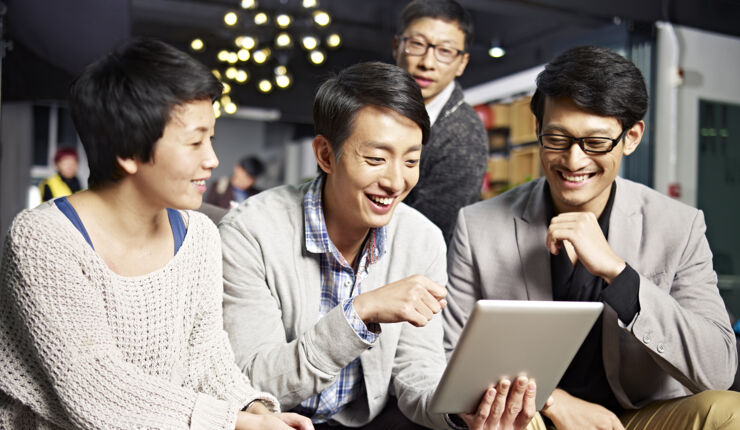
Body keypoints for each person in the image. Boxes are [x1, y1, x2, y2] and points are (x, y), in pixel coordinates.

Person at [0, 38, 312, 430]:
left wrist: (255, 411)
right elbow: (93, 388)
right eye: (195, 141)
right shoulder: (42, 239)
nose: (212, 159)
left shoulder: (199, 235)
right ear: (128, 151)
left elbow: (208, 357)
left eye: (211, 138)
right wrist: (232, 423)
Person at [220, 61, 543, 430]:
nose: (395, 181)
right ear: (326, 155)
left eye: (411, 161)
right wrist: (359, 314)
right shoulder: (250, 232)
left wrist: (458, 411)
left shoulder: (421, 239)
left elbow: (416, 368)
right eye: (375, 159)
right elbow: (252, 382)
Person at [443, 45, 740, 430]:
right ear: (537, 130)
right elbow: (449, 360)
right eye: (557, 138)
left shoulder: (679, 226)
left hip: (637, 416)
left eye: (596, 143)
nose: (574, 161)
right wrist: (554, 401)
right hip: (534, 415)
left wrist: (621, 275)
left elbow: (718, 368)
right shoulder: (478, 226)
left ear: (631, 137)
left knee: (730, 411)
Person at [392, 0, 488, 245]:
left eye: (445, 51)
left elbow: (427, 237)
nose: (427, 62)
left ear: (462, 63)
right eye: (417, 44)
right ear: (397, 46)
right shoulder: (370, 110)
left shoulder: (464, 135)